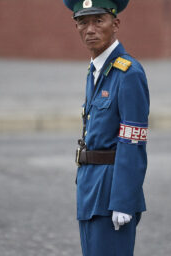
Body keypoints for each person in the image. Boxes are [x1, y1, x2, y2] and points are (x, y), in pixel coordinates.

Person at [65, 0, 150, 255]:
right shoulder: (96, 71)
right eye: (83, 22)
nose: (89, 29)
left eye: (98, 21)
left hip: (112, 195)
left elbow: (133, 141)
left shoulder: (128, 73)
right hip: (90, 190)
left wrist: (124, 201)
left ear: (116, 24)